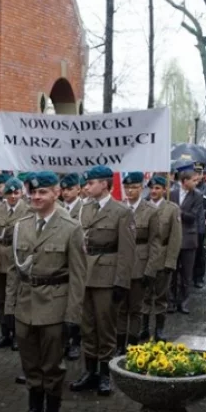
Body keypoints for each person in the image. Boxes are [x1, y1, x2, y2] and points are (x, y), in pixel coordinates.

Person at [7, 172, 86, 412]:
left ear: (56, 193)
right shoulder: (23, 224)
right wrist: (9, 308)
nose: (36, 197)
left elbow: (78, 275)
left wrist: (73, 316)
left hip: (54, 305)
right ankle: (34, 411)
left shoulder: (70, 227)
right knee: (30, 363)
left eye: (42, 192)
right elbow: (13, 270)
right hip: (25, 305)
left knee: (52, 365)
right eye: (33, 192)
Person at [70, 165, 135, 397]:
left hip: (107, 277)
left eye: (91, 183)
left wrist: (121, 282)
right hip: (85, 275)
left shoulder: (121, 211)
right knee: (86, 326)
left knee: (105, 327)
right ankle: (89, 372)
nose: (87, 187)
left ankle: (106, 375)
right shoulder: (83, 209)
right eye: (86, 184)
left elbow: (127, 251)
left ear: (105, 184)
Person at [116, 172, 158, 352]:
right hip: (119, 265)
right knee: (119, 308)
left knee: (135, 308)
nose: (130, 191)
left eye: (134, 187)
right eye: (127, 188)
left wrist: (150, 269)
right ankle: (119, 344)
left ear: (141, 188)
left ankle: (132, 344)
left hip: (139, 265)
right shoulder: (118, 208)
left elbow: (155, 242)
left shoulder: (150, 211)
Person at [0, 177, 29, 350]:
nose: (13, 196)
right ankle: (4, 332)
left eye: (16, 192)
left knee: (15, 297)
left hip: (16, 258)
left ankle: (17, 334)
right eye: (9, 193)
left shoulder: (27, 210)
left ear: (21, 193)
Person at [142, 176, 182, 342]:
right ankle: (143, 328)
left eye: (158, 188)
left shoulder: (172, 209)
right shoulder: (143, 207)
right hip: (144, 259)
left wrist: (170, 262)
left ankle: (159, 330)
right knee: (143, 296)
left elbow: (175, 238)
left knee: (160, 296)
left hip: (162, 259)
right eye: (151, 188)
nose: (154, 191)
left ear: (164, 190)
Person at [168, 169, 202, 314]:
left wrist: (177, 211)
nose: (196, 183)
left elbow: (193, 216)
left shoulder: (197, 195)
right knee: (172, 273)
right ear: (184, 181)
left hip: (189, 238)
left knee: (186, 274)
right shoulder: (171, 194)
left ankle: (184, 302)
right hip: (173, 239)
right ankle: (170, 302)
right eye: (194, 180)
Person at [59, 173, 84, 360]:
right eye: (64, 189)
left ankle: (76, 341)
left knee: (76, 302)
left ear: (79, 189)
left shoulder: (85, 209)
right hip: (59, 261)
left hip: (77, 260)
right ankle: (62, 341)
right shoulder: (57, 208)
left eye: (70, 189)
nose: (66, 193)